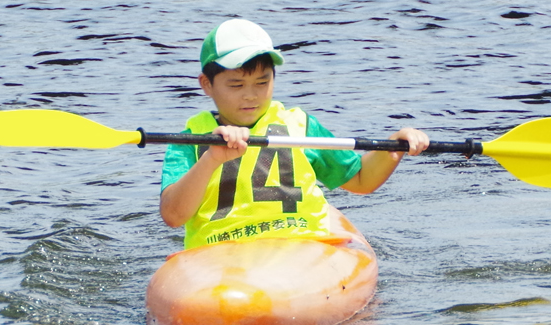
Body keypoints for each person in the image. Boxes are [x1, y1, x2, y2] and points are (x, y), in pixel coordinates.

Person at [158, 18, 430, 247]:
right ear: (207, 84)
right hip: (220, 252)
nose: (251, 95)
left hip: (300, 247)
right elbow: (173, 216)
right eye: (236, 85)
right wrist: (211, 159)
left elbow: (360, 180)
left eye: (262, 82)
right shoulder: (189, 139)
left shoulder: (300, 125)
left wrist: (393, 147)